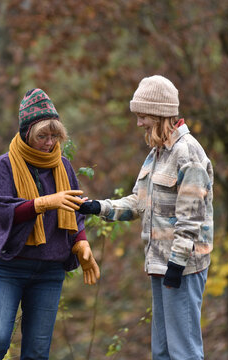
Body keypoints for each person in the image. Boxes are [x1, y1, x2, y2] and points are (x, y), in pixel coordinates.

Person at [79, 75, 213, 360]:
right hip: (160, 264)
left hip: (182, 268)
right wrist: (97, 207)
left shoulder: (187, 153)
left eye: (142, 116)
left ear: (159, 114)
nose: (138, 123)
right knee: (162, 352)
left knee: (184, 353)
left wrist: (176, 265)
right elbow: (139, 203)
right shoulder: (157, 154)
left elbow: (191, 219)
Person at [0, 88, 100, 360]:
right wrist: (44, 202)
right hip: (8, 266)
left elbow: (74, 211)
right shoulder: (4, 165)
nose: (49, 142)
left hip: (49, 271)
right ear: (26, 133)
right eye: (42, 135)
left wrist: (81, 244)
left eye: (55, 136)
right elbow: (6, 212)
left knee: (37, 352)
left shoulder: (63, 166)